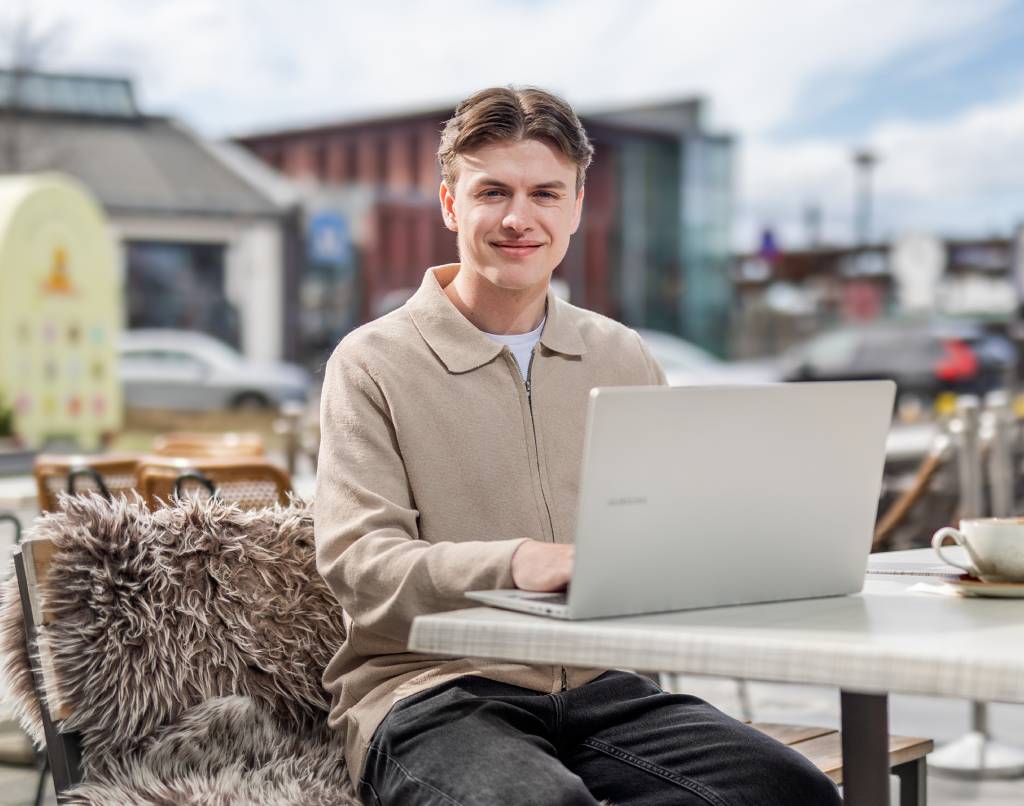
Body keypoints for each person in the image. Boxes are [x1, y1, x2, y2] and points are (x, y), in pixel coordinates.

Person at [315, 86, 841, 806]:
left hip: (603, 686)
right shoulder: (372, 362)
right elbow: (359, 566)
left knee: (788, 791)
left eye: (544, 193)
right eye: (491, 191)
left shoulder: (623, 356)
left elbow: (668, 534)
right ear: (449, 204)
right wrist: (519, 562)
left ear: (577, 208)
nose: (517, 218)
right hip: (432, 692)